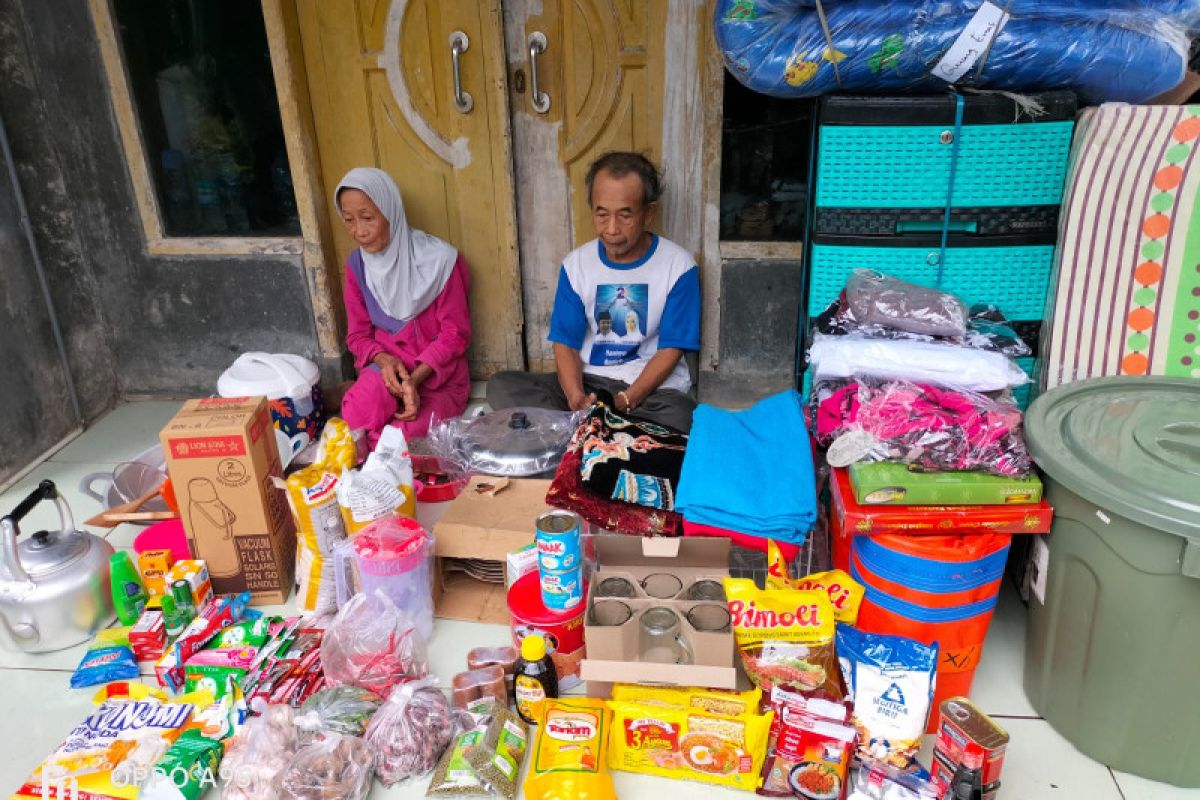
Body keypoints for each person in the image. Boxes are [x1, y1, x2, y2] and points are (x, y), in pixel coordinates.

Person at [487, 152, 700, 432]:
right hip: (592, 382)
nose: (611, 228)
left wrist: (625, 399)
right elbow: (565, 343)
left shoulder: (679, 266)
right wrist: (575, 397)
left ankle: (579, 432)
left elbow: (671, 350)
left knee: (684, 418)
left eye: (625, 215)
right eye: (602, 214)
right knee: (502, 386)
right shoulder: (577, 265)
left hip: (650, 392)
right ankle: (600, 429)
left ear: (649, 213)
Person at [336, 167, 472, 447]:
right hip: (387, 374)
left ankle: (376, 444)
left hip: (437, 379)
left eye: (368, 218)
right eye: (348, 220)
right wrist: (385, 361)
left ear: (391, 212)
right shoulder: (357, 267)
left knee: (399, 440)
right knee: (355, 413)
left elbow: (455, 334)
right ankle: (374, 431)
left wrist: (414, 379)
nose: (359, 231)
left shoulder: (440, 262)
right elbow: (357, 336)